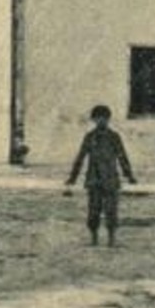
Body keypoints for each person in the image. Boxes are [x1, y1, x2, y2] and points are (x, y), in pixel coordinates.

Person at [64, 104, 137, 246]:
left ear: (108, 119)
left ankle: (111, 239)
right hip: (94, 178)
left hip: (111, 178)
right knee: (94, 210)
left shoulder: (114, 137)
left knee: (111, 210)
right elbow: (81, 157)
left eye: (104, 118)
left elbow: (122, 157)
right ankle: (94, 238)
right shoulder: (90, 137)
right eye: (98, 118)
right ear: (94, 120)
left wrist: (129, 175)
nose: (101, 121)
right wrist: (73, 177)